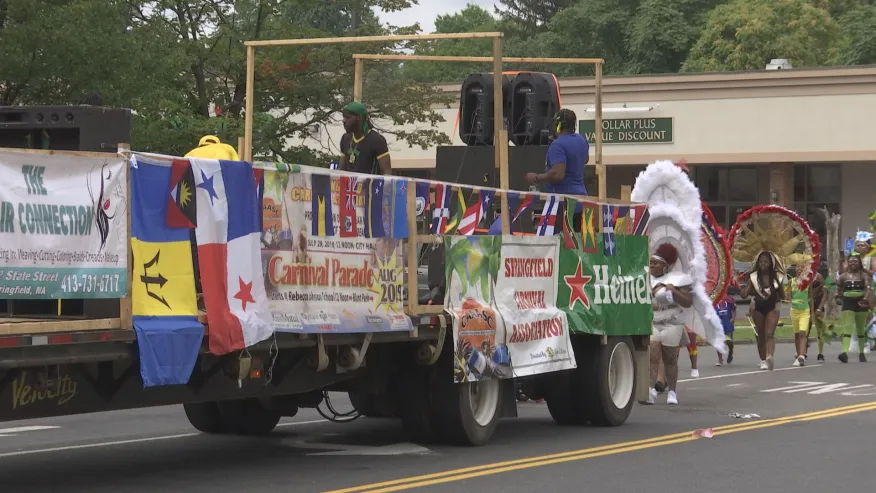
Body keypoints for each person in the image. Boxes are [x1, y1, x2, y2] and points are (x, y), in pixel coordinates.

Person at [646, 243, 694, 405]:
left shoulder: (678, 279)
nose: (652, 265)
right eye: (650, 262)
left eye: (655, 263)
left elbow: (688, 302)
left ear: (665, 266)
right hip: (653, 321)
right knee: (652, 355)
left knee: (669, 358)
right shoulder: (646, 278)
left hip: (672, 323)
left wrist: (673, 291)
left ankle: (672, 392)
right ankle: (650, 389)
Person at [525, 108, 589, 226]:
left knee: (559, 242)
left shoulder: (558, 145)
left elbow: (558, 174)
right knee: (577, 242)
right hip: (581, 202)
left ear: (558, 126)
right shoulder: (582, 140)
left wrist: (536, 177)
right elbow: (585, 159)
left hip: (563, 204)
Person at [741, 251, 785, 371]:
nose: (763, 264)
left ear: (771, 263)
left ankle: (770, 356)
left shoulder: (777, 276)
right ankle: (763, 360)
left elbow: (782, 295)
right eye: (761, 262)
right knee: (761, 334)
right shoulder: (753, 277)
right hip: (758, 307)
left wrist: (780, 292)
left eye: (766, 261)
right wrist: (743, 290)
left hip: (772, 307)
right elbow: (745, 294)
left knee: (769, 333)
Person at [339, 102, 391, 176]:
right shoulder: (345, 138)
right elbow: (341, 171)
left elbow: (387, 172)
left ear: (359, 117)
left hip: (369, 186)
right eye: (343, 117)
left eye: (348, 117)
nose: (344, 121)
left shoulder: (376, 140)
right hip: (349, 186)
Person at [837, 252, 871, 363]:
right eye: (851, 261)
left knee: (860, 328)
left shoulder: (863, 275)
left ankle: (861, 352)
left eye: (855, 261)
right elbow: (838, 288)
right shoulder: (843, 276)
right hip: (847, 302)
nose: (853, 263)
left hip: (861, 302)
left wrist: (865, 299)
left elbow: (868, 288)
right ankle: (844, 353)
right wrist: (838, 298)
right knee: (847, 327)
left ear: (859, 263)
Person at [788, 261, 816, 366]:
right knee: (796, 334)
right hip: (794, 311)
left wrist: (812, 313)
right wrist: (787, 298)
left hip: (805, 310)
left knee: (802, 332)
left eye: (802, 267)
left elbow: (811, 298)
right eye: (798, 267)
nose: (799, 269)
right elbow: (788, 296)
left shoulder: (808, 282)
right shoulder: (791, 282)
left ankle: (802, 356)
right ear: (795, 269)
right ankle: (798, 354)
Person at [715, 293, 736, 365]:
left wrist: (733, 318)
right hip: (718, 323)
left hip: (727, 322)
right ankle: (720, 360)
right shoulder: (714, 299)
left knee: (729, 341)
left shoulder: (729, 299)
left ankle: (730, 352)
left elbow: (733, 309)